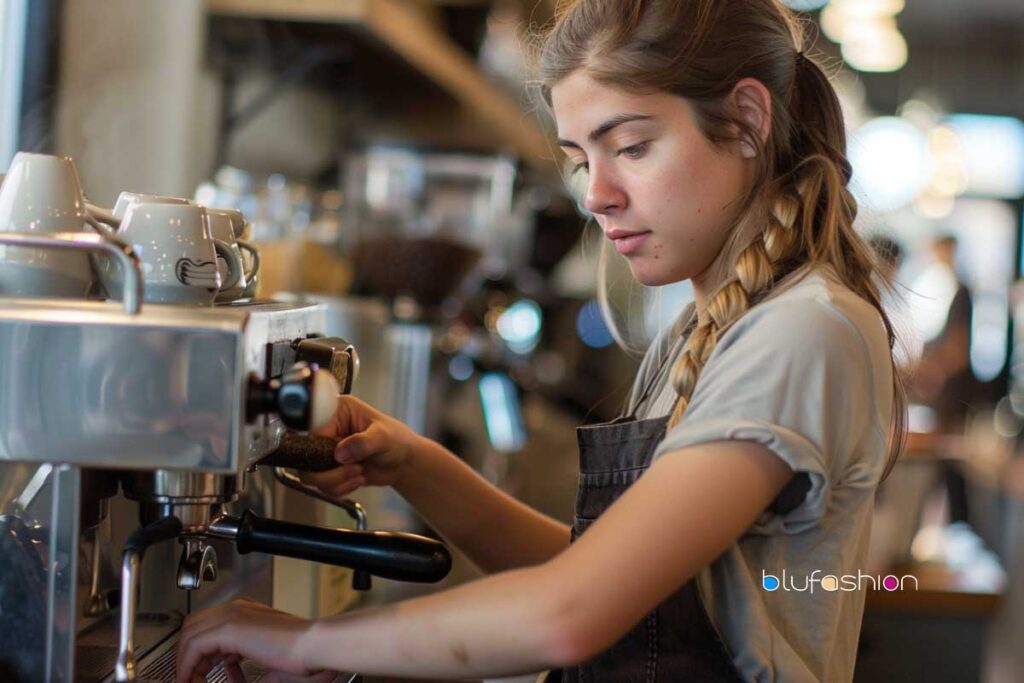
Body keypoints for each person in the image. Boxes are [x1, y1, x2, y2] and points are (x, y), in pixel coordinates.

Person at [175, 1, 907, 681]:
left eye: (631, 146)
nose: (596, 194)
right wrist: (413, 463)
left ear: (747, 120)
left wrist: (306, 642)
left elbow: (570, 614)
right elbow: (607, 579)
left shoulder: (804, 330)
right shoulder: (715, 325)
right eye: (583, 159)